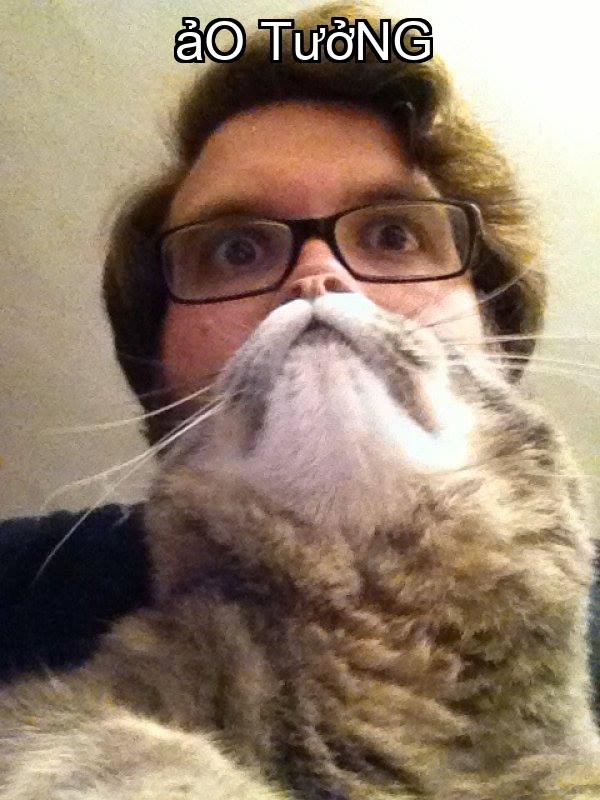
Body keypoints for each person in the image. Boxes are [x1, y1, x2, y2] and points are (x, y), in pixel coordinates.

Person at [1, 1, 598, 712]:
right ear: (157, 376)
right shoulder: (21, 584)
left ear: (497, 342)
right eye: (236, 250)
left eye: (394, 236)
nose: (318, 277)